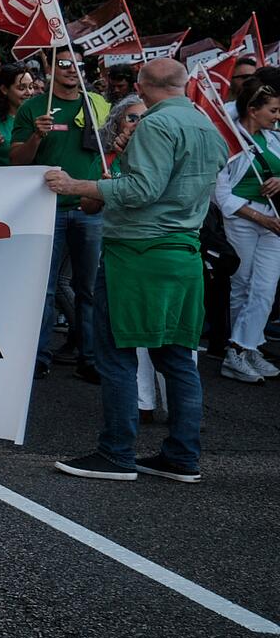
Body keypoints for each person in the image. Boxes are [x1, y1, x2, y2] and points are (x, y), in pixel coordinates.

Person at [48, 58, 228, 482]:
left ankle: (116, 453)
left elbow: (141, 190)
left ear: (143, 86)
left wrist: (76, 186)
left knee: (116, 356)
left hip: (137, 253)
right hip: (182, 252)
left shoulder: (156, 125)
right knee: (177, 358)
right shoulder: (207, 127)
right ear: (183, 85)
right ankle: (182, 456)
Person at [11, 52, 114, 380]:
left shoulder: (99, 105)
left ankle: (90, 358)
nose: (72, 71)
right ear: (50, 70)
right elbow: (16, 161)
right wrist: (36, 136)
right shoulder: (33, 108)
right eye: (64, 64)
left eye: (78, 66)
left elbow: (113, 151)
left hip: (89, 209)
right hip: (46, 210)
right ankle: (39, 358)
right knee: (45, 289)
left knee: (89, 289)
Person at [214, 67, 280, 384]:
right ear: (253, 109)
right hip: (244, 218)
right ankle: (240, 351)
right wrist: (260, 218)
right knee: (242, 286)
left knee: (265, 288)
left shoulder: (274, 137)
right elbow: (221, 193)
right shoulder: (226, 140)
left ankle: (245, 346)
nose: (278, 116)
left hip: (274, 221)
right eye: (273, 110)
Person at [0, 62, 39, 166]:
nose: (29, 93)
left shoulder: (40, 119)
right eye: (21, 88)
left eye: (31, 87)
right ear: (4, 89)